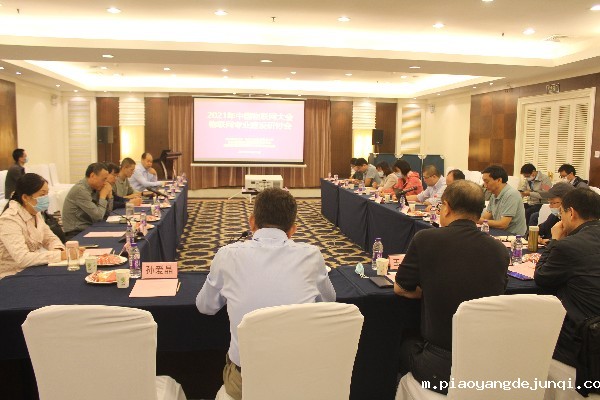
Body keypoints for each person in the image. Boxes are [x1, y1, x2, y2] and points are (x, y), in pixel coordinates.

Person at [196, 188, 335, 400]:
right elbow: (329, 301)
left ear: (252, 222)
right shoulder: (312, 255)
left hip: (246, 383)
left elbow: (205, 307)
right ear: (293, 229)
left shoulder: (227, 255)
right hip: (300, 378)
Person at [395, 180, 509, 395]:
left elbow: (400, 288)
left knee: (399, 344)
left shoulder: (426, 238)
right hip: (486, 362)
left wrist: (428, 291)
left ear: (446, 207)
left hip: (439, 366)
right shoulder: (499, 249)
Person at [534, 188, 600, 368]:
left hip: (585, 340)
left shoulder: (570, 245)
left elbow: (542, 277)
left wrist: (555, 240)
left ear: (571, 213)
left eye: (561, 213)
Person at [0, 173, 66, 279]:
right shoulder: (9, 220)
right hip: (11, 276)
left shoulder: (35, 212)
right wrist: (58, 256)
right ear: (25, 197)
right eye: (42, 194)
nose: (46, 198)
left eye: (47, 194)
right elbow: (22, 258)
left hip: (32, 270)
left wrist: (58, 250)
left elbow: (50, 238)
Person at [62, 162, 113, 240]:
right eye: (103, 179)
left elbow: (107, 213)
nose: (105, 183)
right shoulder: (80, 190)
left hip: (90, 228)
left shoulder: (96, 188)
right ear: (92, 176)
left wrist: (109, 197)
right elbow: (98, 216)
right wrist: (103, 196)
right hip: (76, 233)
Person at [479, 165, 527, 235]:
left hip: (513, 235)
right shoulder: (493, 195)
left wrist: (481, 221)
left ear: (499, 180)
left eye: (487, 182)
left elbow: (503, 224)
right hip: (499, 232)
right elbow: (485, 217)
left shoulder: (512, 194)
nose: (485, 186)